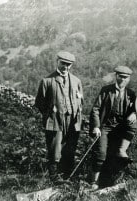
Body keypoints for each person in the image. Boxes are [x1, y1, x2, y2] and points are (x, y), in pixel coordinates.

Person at [35, 51, 83, 182]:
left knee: (70, 148)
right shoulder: (47, 81)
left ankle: (69, 176)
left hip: (72, 121)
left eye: (69, 64)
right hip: (55, 120)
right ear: (57, 62)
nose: (65, 67)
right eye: (63, 63)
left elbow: (80, 100)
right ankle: (54, 178)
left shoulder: (76, 81)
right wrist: (50, 112)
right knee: (55, 148)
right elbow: (39, 102)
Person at [89, 66, 137, 190]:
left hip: (121, 127)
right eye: (120, 76)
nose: (122, 79)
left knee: (134, 124)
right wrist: (96, 127)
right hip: (105, 126)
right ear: (116, 76)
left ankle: (122, 150)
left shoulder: (131, 94)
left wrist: (134, 113)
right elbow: (95, 109)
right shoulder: (106, 90)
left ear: (129, 79)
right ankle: (94, 182)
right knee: (101, 153)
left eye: (125, 77)